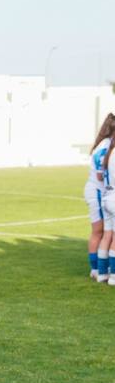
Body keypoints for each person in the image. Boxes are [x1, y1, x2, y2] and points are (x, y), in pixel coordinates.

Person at [85, 114, 114, 281]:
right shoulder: (105, 146)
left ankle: (101, 269)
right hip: (99, 191)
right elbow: (100, 175)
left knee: (103, 232)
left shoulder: (104, 144)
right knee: (100, 231)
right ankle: (98, 269)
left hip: (100, 191)